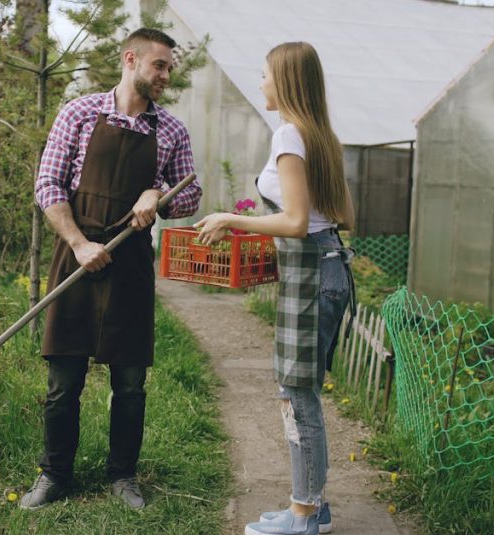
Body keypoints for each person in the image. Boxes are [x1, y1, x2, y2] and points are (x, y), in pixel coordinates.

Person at [20, 27, 202, 510]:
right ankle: (55, 474)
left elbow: (192, 195)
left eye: (169, 67)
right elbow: (49, 186)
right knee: (63, 382)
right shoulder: (79, 114)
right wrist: (79, 243)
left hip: (130, 264)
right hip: (76, 258)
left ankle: (123, 477)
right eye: (159, 65)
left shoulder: (172, 131)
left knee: (129, 383)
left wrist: (157, 194)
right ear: (131, 60)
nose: (166, 75)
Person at [194, 41, 355, 535]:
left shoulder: (289, 136)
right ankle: (314, 506)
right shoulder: (319, 134)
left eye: (264, 74)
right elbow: (338, 219)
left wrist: (231, 220)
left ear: (283, 80)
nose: (260, 81)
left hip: (312, 277)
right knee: (302, 391)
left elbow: (296, 221)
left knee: (296, 394)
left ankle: (303, 516)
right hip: (328, 272)